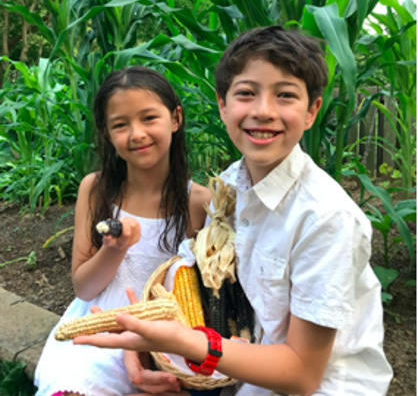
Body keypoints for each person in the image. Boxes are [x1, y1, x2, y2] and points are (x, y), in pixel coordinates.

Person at [74, 26, 393, 395]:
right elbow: (204, 279)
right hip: (247, 371)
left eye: (286, 95)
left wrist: (189, 345)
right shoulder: (229, 187)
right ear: (223, 106)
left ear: (312, 111)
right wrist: (145, 345)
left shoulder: (325, 218)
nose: (263, 111)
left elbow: (303, 375)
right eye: (246, 93)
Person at [34, 65, 212, 396]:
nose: (136, 134)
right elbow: (85, 288)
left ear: (175, 119)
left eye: (148, 118)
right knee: (77, 384)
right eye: (120, 124)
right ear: (106, 133)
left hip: (164, 335)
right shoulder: (97, 189)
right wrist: (114, 249)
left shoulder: (200, 202)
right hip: (99, 324)